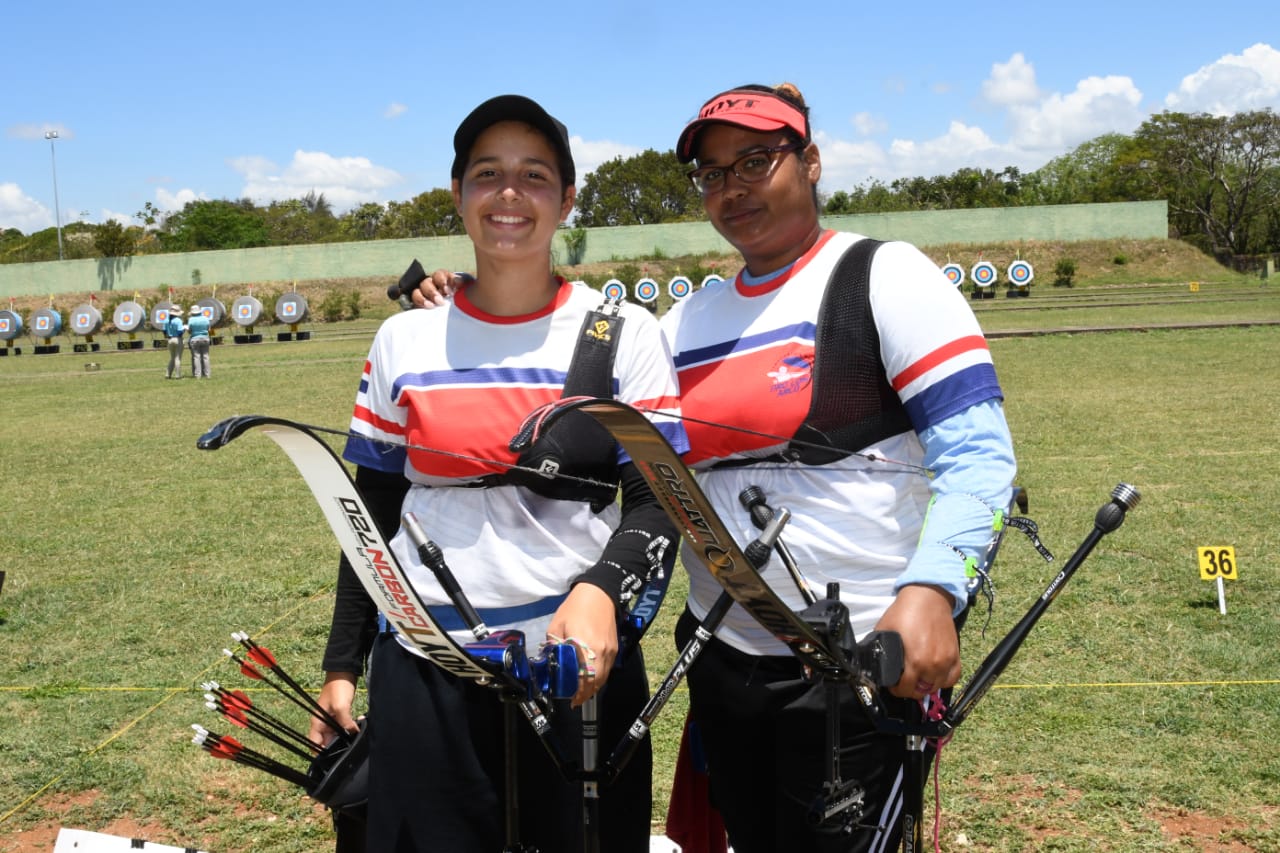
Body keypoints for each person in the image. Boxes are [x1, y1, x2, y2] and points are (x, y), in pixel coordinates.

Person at [411, 81, 1017, 853]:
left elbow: (979, 456)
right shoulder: (683, 322)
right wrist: (464, 298)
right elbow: (583, 416)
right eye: (713, 173)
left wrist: (933, 587)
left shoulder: (884, 276)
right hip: (722, 664)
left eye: (756, 161)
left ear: (811, 162)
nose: (733, 187)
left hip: (860, 662)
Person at [309, 94, 687, 853]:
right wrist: (342, 664)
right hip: (424, 665)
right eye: (487, 173)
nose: (509, 192)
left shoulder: (624, 333)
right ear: (458, 194)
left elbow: (659, 503)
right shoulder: (404, 338)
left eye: (535, 175)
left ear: (567, 199)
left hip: (575, 670)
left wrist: (602, 592)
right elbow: (370, 515)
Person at [187, 306, 212, 378]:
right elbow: (209, 329)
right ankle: (207, 374)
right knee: (205, 356)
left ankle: (198, 375)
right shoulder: (206, 318)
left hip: (195, 339)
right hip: (205, 338)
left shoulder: (191, 319)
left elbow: (189, 331)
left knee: (196, 357)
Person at [163, 307, 185, 379]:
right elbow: (180, 332)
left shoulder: (166, 320)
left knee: (172, 358)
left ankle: (167, 374)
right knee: (177, 358)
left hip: (170, 340)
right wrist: (184, 330)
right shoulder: (178, 320)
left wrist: (167, 336)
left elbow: (164, 331)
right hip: (177, 339)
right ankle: (178, 375)